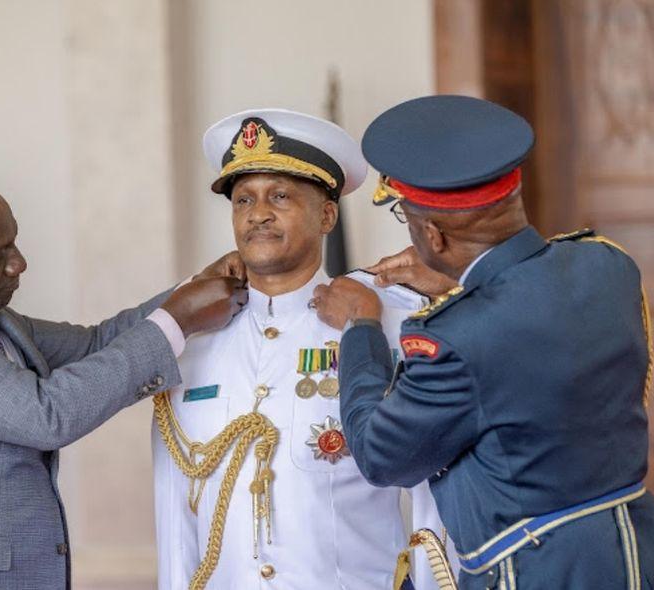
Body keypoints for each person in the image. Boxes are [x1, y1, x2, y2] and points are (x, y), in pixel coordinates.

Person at [312, 95, 654, 589]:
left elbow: (381, 455)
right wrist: (465, 287)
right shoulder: (606, 265)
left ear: (433, 235)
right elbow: (534, 329)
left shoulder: (452, 338)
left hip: (541, 573)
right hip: (643, 556)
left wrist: (361, 325)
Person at [0, 167, 248, 590]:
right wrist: (177, 322)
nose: (19, 263)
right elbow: (47, 415)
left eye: (14, 242)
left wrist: (195, 287)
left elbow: (96, 343)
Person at [151, 109, 449, 590]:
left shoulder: (389, 324)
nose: (258, 212)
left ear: (327, 215)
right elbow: (174, 507)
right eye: (243, 199)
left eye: (281, 196)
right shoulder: (193, 339)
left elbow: (431, 493)